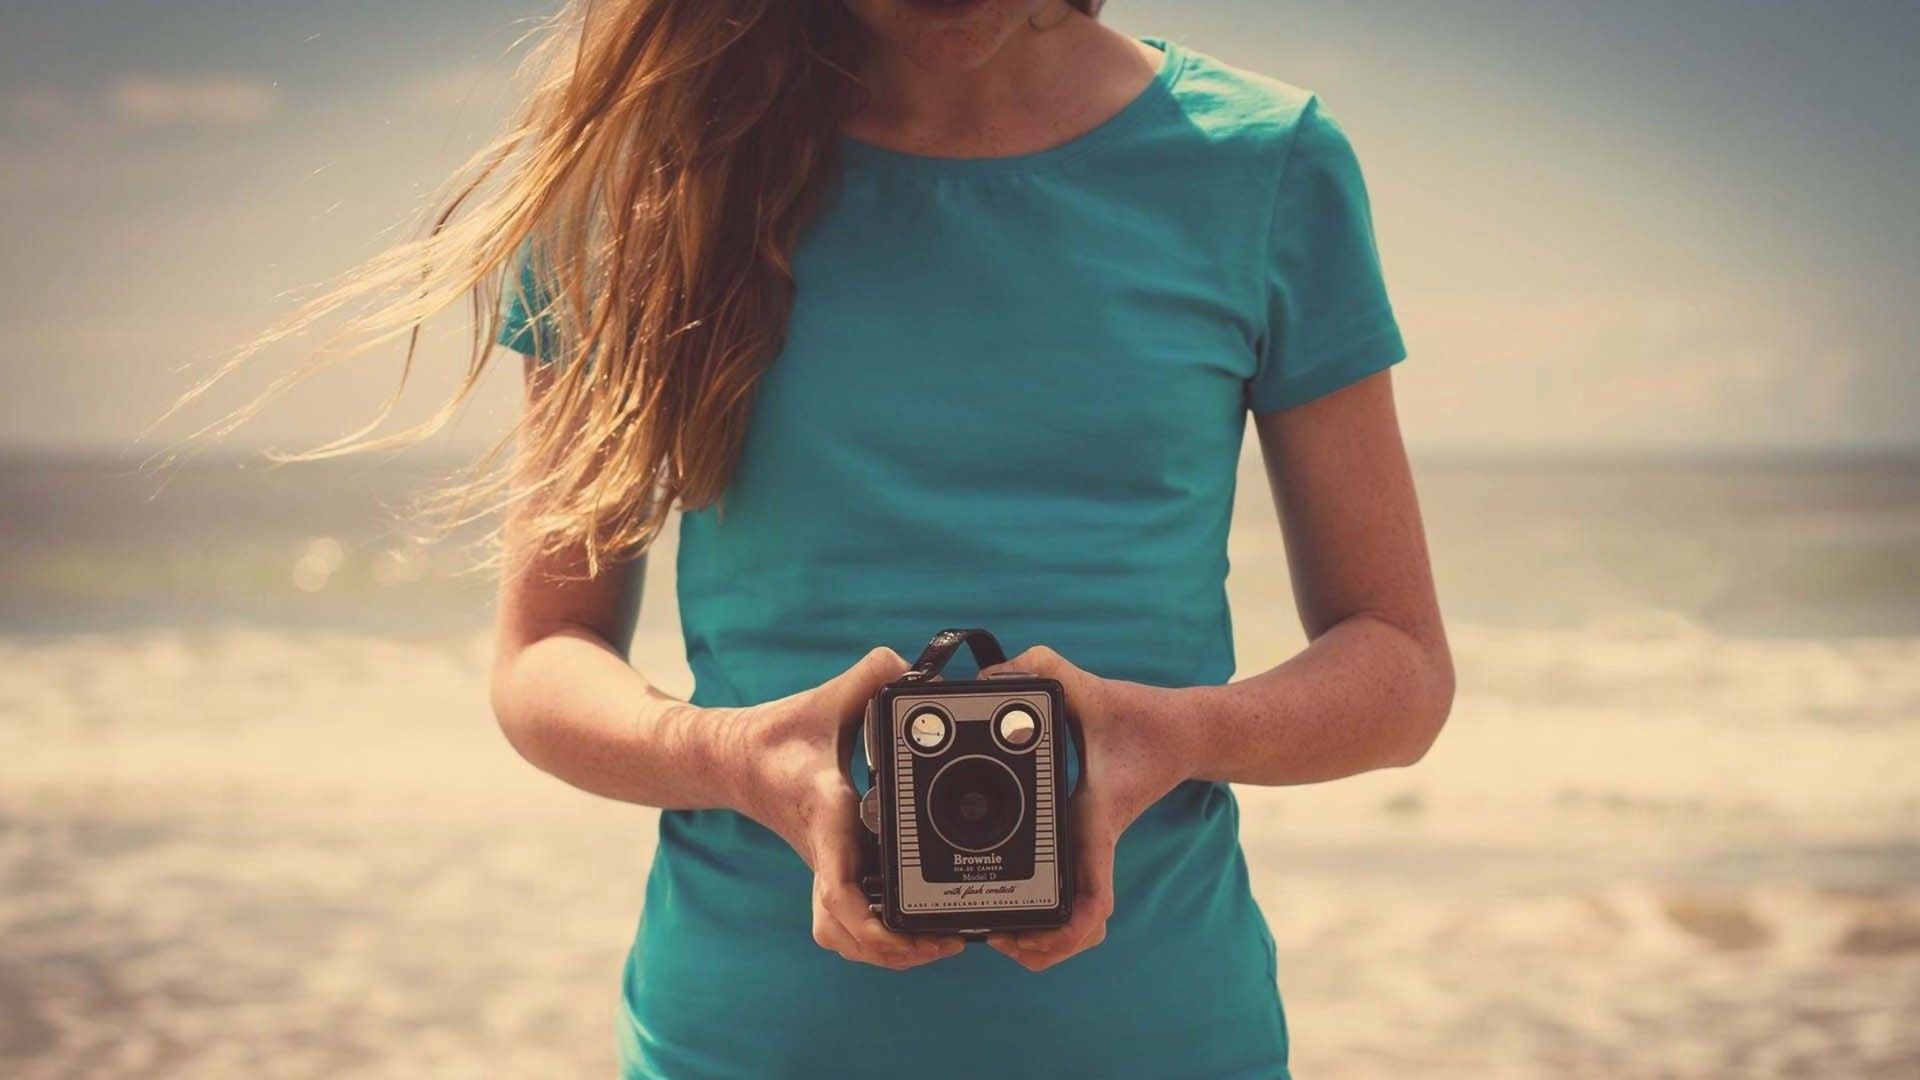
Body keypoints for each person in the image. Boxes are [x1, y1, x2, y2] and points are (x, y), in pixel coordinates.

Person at [219, 1, 1453, 1075]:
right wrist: (736, 756)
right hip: (748, 1048)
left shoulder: (1264, 165)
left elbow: (1399, 666)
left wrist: (1175, 734)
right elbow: (544, 657)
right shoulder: (650, 173)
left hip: (1166, 1041)